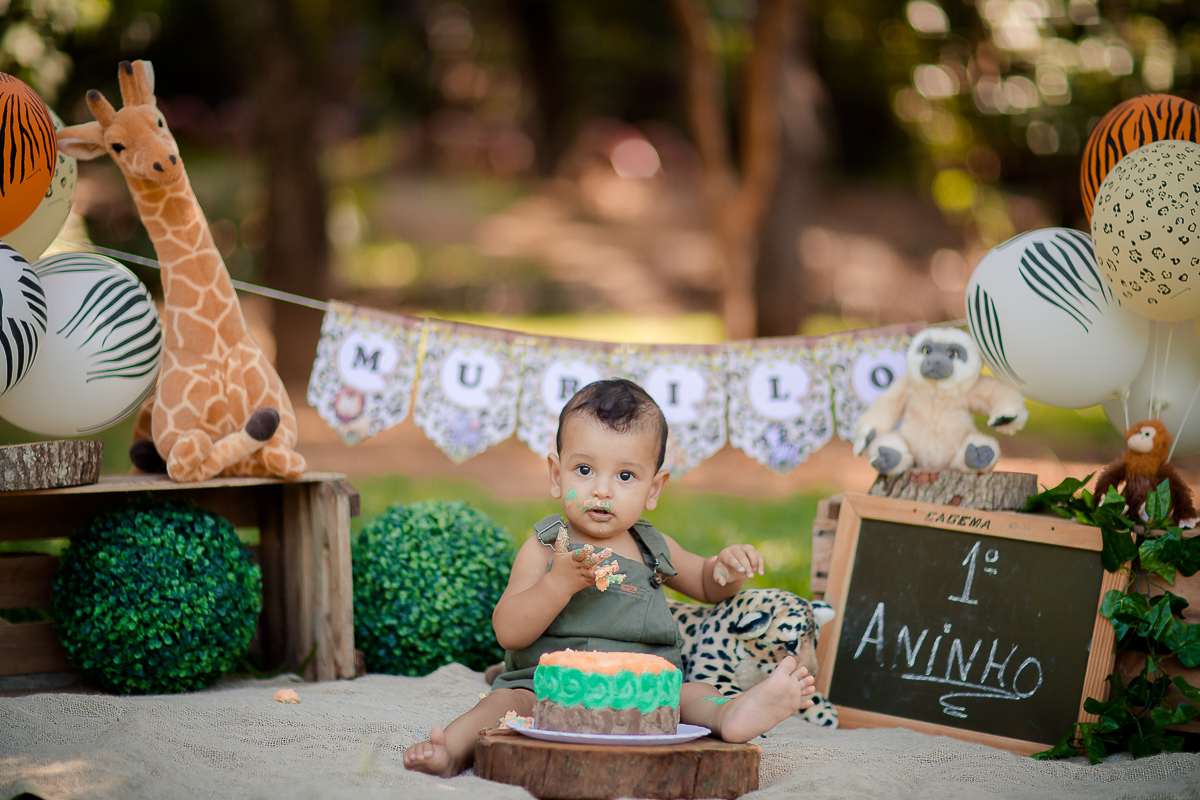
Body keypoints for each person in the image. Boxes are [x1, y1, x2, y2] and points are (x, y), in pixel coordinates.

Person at [404, 378, 816, 776]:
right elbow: (509, 632)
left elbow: (708, 585)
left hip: (646, 690)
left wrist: (727, 569)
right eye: (584, 470)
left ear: (654, 489)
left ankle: (733, 714)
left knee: (690, 694)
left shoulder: (652, 546)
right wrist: (557, 584)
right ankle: (450, 750)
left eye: (625, 477)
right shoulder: (547, 546)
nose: (601, 490)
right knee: (503, 703)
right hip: (545, 687)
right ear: (555, 474)